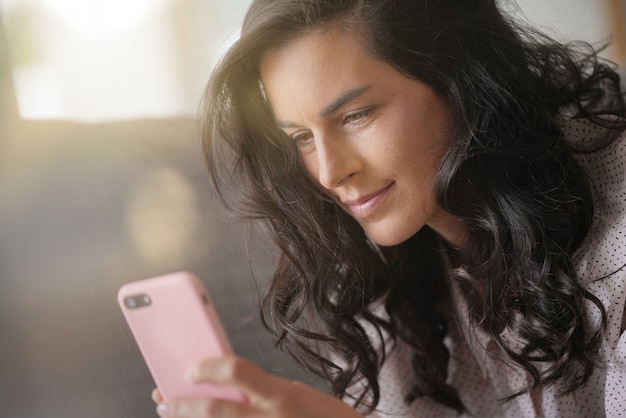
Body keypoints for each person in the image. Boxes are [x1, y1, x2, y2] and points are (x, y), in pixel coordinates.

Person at [154, 0, 626, 416]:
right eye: (301, 138)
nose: (329, 173)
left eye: (355, 116)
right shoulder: (379, 272)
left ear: (461, 78)